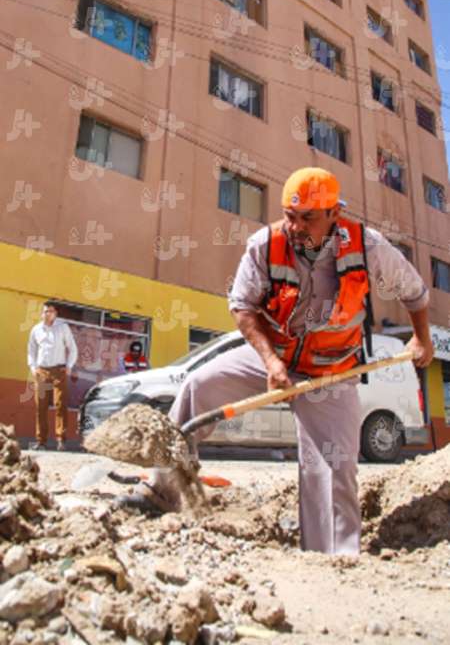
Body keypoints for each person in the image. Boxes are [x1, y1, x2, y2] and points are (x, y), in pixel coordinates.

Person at [118, 167, 434, 554]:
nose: (296, 226)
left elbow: (414, 291)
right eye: (290, 215)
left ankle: (332, 556)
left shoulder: (367, 246)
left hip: (331, 372)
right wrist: (270, 360)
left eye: (308, 217)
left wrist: (421, 338)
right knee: (198, 387)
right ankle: (160, 490)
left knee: (331, 468)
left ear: (335, 214)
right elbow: (242, 306)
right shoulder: (266, 244)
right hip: (275, 355)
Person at [27, 301, 78, 451]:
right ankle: (41, 441)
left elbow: (73, 348)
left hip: (59, 371)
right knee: (40, 406)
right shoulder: (36, 329)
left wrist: (69, 366)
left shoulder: (62, 328)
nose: (46, 314)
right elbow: (31, 350)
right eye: (44, 311)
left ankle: (61, 440)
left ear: (55, 313)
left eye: (49, 311)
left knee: (60, 404)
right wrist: (33, 367)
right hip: (41, 371)